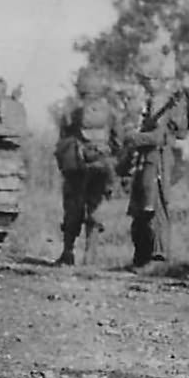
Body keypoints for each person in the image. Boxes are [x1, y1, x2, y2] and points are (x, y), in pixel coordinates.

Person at [121, 31, 189, 268]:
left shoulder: (161, 101)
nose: (144, 84)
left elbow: (159, 136)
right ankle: (142, 257)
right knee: (143, 208)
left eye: (145, 80)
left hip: (158, 158)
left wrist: (134, 138)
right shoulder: (157, 100)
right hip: (148, 159)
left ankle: (157, 257)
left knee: (156, 208)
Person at [54, 67, 123, 266]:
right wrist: (106, 153)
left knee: (73, 208)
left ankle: (68, 253)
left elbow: (63, 140)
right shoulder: (111, 112)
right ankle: (90, 256)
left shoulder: (71, 112)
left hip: (77, 166)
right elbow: (119, 141)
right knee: (95, 208)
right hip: (101, 165)